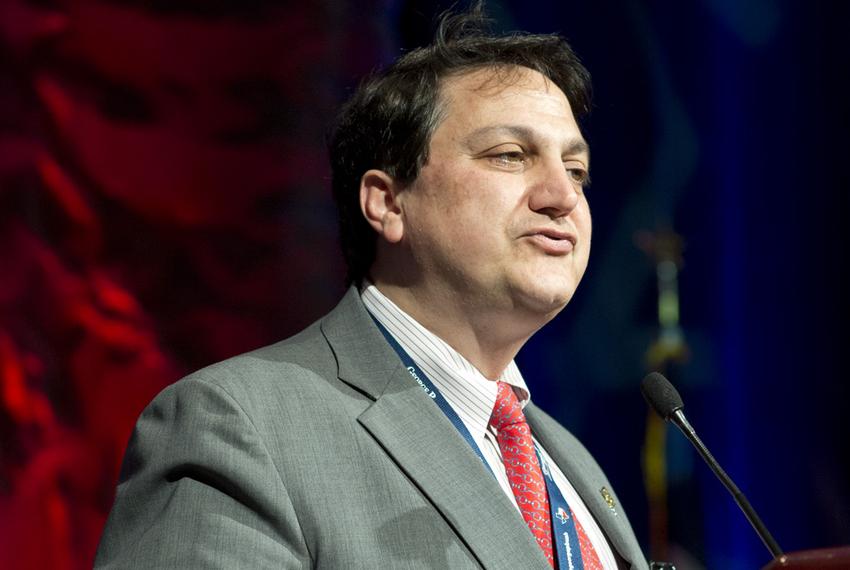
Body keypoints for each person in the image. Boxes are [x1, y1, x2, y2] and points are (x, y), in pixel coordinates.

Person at [95, 6, 648, 569]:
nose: (562, 195)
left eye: (576, 170)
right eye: (509, 155)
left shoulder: (567, 459)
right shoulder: (239, 425)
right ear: (386, 202)